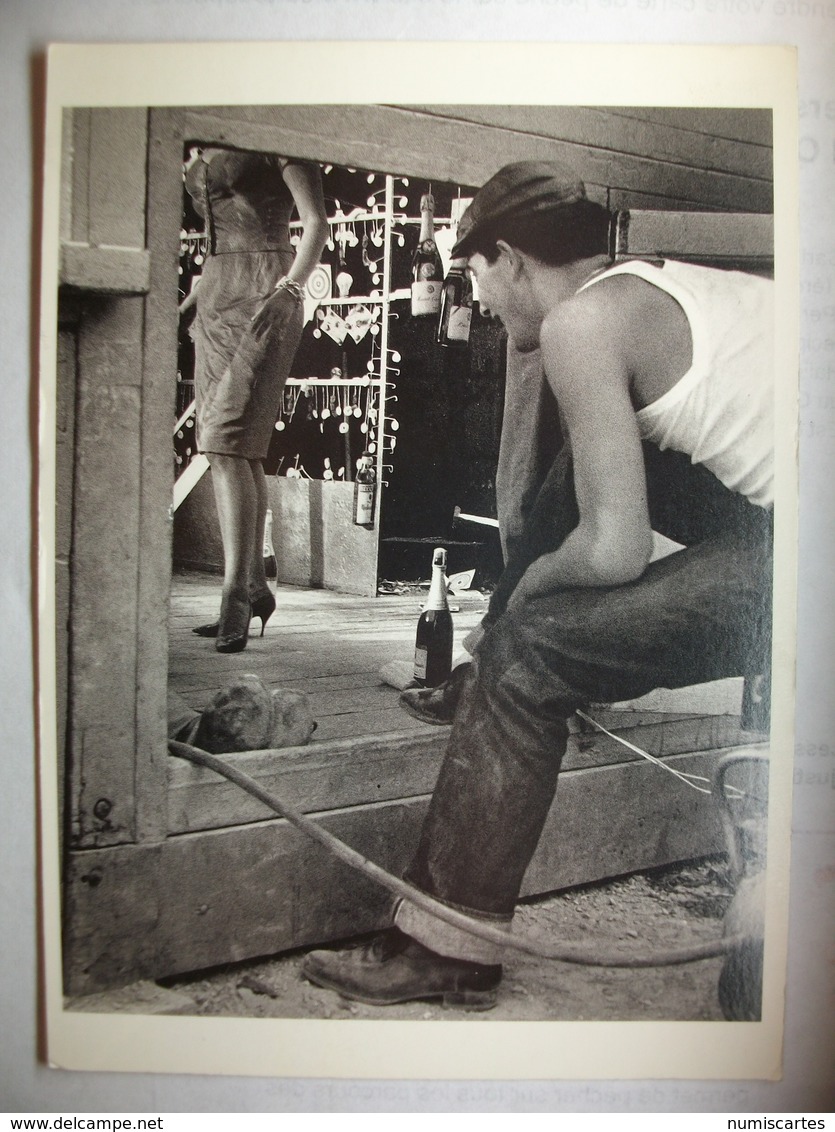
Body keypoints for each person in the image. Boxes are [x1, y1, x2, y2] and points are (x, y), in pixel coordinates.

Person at [301, 161, 775, 1010]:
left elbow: (614, 550)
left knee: (529, 663)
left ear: (509, 259)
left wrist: (525, 605)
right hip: (781, 517)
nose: (476, 300)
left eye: (473, 277)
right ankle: (484, 657)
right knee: (581, 478)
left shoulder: (581, 325)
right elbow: (599, 506)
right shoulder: (661, 288)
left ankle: (446, 947)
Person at [182, 146, 328, 652]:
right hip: (216, 294)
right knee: (235, 446)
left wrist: (291, 288)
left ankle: (234, 596)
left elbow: (317, 222)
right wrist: (198, 292)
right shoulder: (203, 137)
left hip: (269, 288)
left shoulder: (274, 128)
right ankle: (255, 586)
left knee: (225, 442)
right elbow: (218, 237)